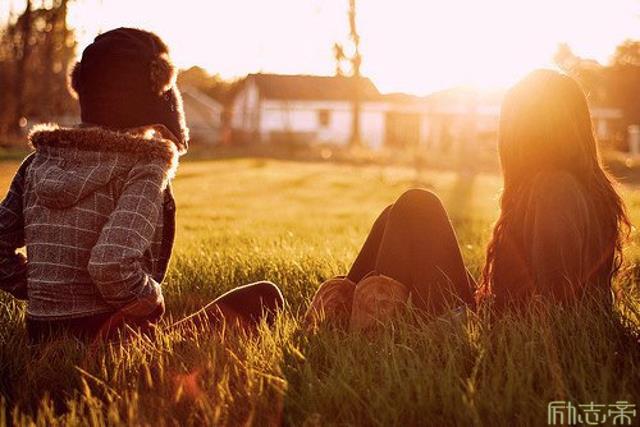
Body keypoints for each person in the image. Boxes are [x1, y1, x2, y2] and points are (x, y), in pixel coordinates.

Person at [0, 28, 283, 343]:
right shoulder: (144, 165)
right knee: (264, 297)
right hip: (110, 338)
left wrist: (44, 289)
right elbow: (110, 263)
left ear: (81, 86)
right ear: (156, 88)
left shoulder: (37, 162)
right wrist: (151, 303)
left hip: (40, 335)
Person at [306, 69, 629, 330]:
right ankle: (335, 319)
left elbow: (553, 304)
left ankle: (370, 335)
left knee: (417, 205)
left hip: (491, 331)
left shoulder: (554, 189)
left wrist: (481, 327)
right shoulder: (579, 186)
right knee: (395, 214)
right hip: (492, 315)